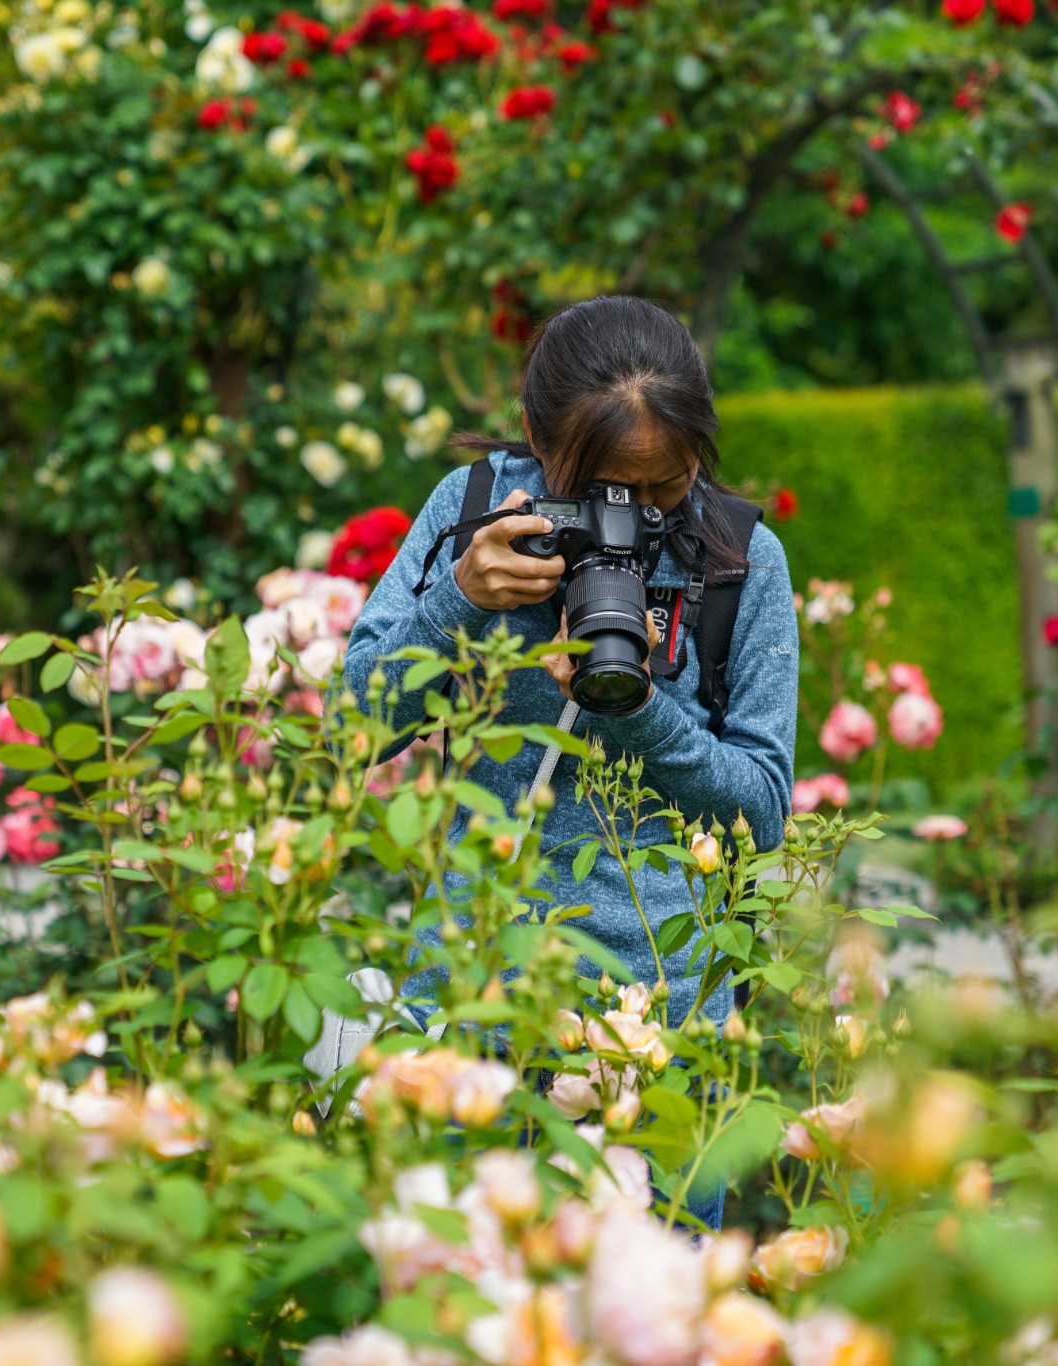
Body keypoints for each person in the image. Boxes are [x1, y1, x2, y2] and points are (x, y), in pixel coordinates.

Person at [336, 294, 798, 1228]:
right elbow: (355, 726)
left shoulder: (739, 560)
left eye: (664, 489)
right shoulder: (473, 511)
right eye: (600, 492)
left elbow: (760, 811)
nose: (632, 515)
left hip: (657, 1033)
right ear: (539, 447)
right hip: (470, 995)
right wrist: (458, 600)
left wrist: (629, 707)